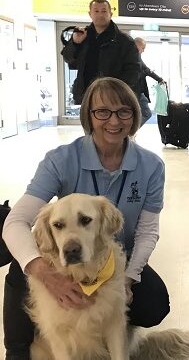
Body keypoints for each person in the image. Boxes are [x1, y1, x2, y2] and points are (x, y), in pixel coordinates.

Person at [2, 77, 169, 360]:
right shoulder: (60, 159)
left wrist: (129, 278)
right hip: (60, 260)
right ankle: (17, 353)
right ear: (88, 116)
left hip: (114, 258)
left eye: (123, 112)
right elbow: (15, 223)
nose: (113, 121)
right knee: (22, 267)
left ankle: (105, 344)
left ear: (134, 115)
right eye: (102, 112)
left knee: (154, 303)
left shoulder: (151, 165)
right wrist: (43, 271)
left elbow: (147, 231)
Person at [61, 0, 139, 105]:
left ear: (110, 14)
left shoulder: (123, 41)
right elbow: (68, 59)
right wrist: (75, 43)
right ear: (90, 14)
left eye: (104, 11)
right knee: (88, 122)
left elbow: (133, 70)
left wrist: (117, 91)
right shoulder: (83, 36)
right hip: (86, 94)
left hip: (113, 97)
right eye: (96, 11)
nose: (100, 15)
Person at [133, 37, 165, 127]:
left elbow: (146, 70)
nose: (143, 51)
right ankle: (130, 131)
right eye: (143, 48)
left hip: (137, 91)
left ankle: (130, 132)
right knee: (147, 113)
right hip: (136, 90)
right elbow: (142, 72)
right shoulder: (133, 57)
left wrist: (159, 79)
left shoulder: (136, 56)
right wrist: (159, 79)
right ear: (137, 45)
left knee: (138, 113)